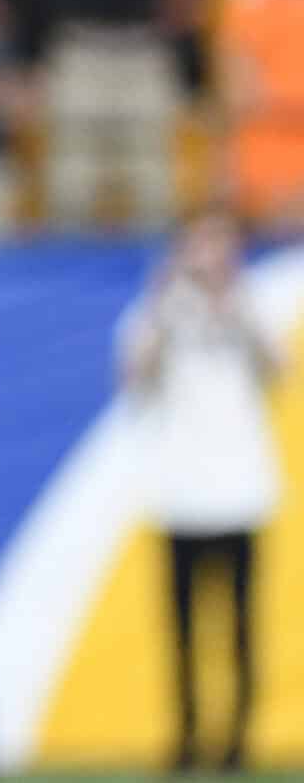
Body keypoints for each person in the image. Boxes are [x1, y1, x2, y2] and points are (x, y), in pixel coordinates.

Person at [117, 212, 282, 773]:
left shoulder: (251, 301)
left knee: (239, 627)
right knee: (182, 630)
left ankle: (237, 741)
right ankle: (186, 737)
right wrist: (165, 302)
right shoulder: (160, 307)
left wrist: (233, 304)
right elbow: (133, 378)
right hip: (180, 493)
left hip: (240, 493)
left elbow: (275, 369)